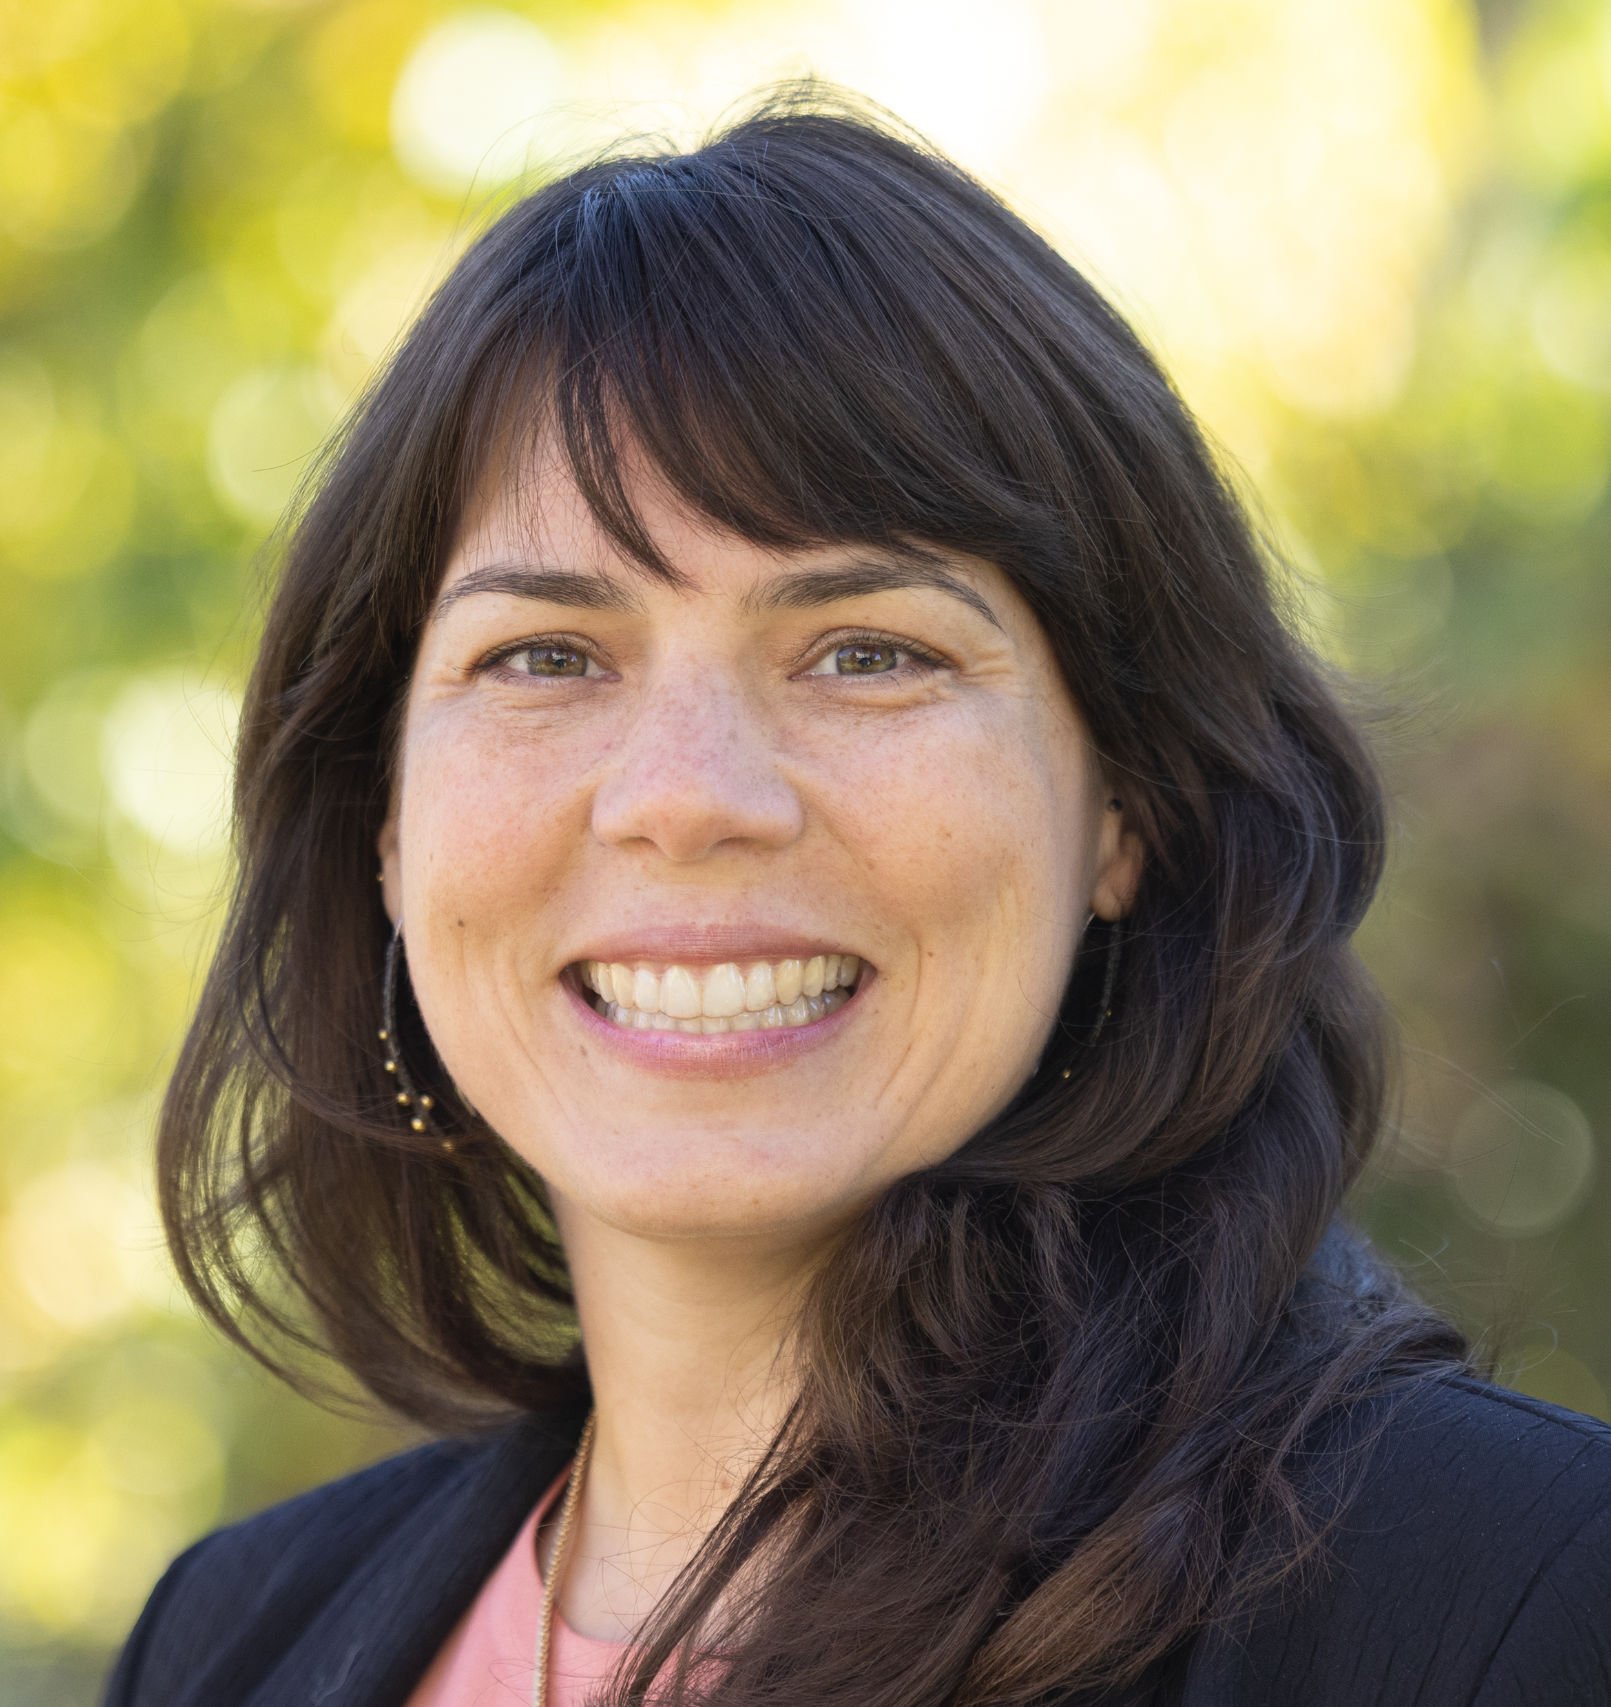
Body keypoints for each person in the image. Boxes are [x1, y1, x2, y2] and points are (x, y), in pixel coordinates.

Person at [99, 81, 1611, 1707]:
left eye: (867, 651)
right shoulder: (226, 1642)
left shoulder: (1518, 1595)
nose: (688, 796)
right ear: (383, 829)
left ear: (1129, 804)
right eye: (545, 654)